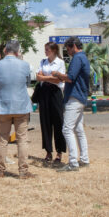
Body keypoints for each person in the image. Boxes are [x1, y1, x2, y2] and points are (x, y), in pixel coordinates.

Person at [0, 40, 36, 179]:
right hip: (21, 106)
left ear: (5, 50)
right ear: (17, 52)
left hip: (3, 106)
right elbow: (28, 83)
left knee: (2, 139)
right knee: (22, 139)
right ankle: (23, 171)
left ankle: (0, 170)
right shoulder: (25, 65)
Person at [51, 37, 90, 172]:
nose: (68, 53)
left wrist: (58, 74)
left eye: (68, 49)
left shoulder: (77, 58)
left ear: (73, 46)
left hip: (74, 97)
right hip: (81, 97)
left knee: (67, 129)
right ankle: (84, 159)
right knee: (79, 130)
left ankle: (73, 163)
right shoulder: (84, 57)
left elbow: (70, 78)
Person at [36, 42, 67, 164]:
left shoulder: (60, 62)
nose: (45, 52)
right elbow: (38, 76)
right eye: (45, 49)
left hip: (55, 93)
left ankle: (59, 151)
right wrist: (49, 78)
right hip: (44, 93)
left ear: (54, 50)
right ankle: (48, 151)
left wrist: (45, 77)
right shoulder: (43, 62)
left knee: (58, 121)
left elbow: (58, 80)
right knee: (45, 122)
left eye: (47, 49)